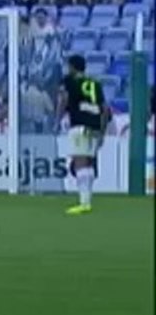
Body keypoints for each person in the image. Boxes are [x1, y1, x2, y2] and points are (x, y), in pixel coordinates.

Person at [60, 54, 111, 215]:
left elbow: (64, 99)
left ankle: (84, 203)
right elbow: (105, 109)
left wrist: (58, 116)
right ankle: (87, 200)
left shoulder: (70, 81)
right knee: (88, 163)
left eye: (69, 66)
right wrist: (102, 132)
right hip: (94, 127)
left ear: (73, 67)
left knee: (80, 162)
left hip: (79, 126)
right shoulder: (95, 83)